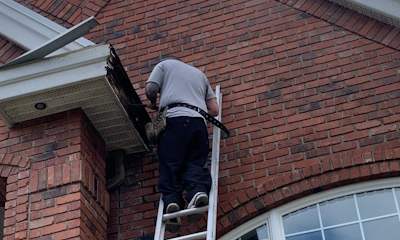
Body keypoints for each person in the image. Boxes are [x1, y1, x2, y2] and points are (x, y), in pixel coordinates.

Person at [145, 57, 218, 228]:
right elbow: (214, 110)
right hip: (198, 124)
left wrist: (154, 102)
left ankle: (172, 202)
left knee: (170, 163)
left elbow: (151, 88)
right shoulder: (200, 75)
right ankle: (198, 192)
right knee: (194, 162)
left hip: (174, 121)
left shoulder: (164, 65)